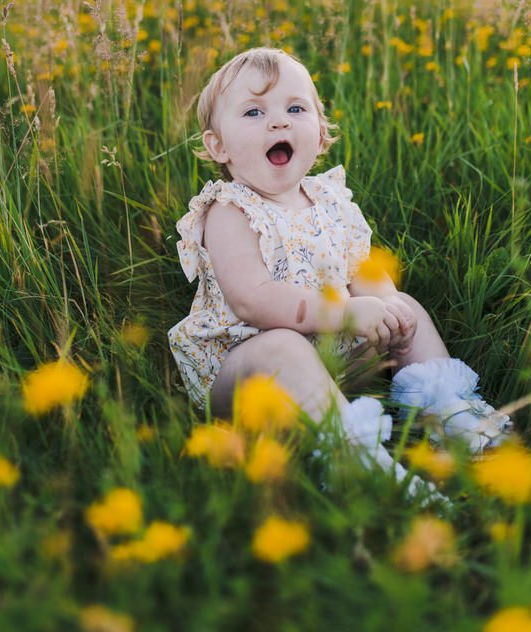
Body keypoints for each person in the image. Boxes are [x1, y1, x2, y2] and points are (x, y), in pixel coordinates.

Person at [168, 47, 511, 486]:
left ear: (321, 130)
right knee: (283, 345)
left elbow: (361, 267)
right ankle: (354, 459)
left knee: (403, 304)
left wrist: (385, 308)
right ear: (218, 145)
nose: (279, 122)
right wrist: (347, 313)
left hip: (336, 356)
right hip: (249, 374)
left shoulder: (330, 198)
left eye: (295, 108)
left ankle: (451, 413)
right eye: (254, 112)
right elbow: (253, 300)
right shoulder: (230, 210)